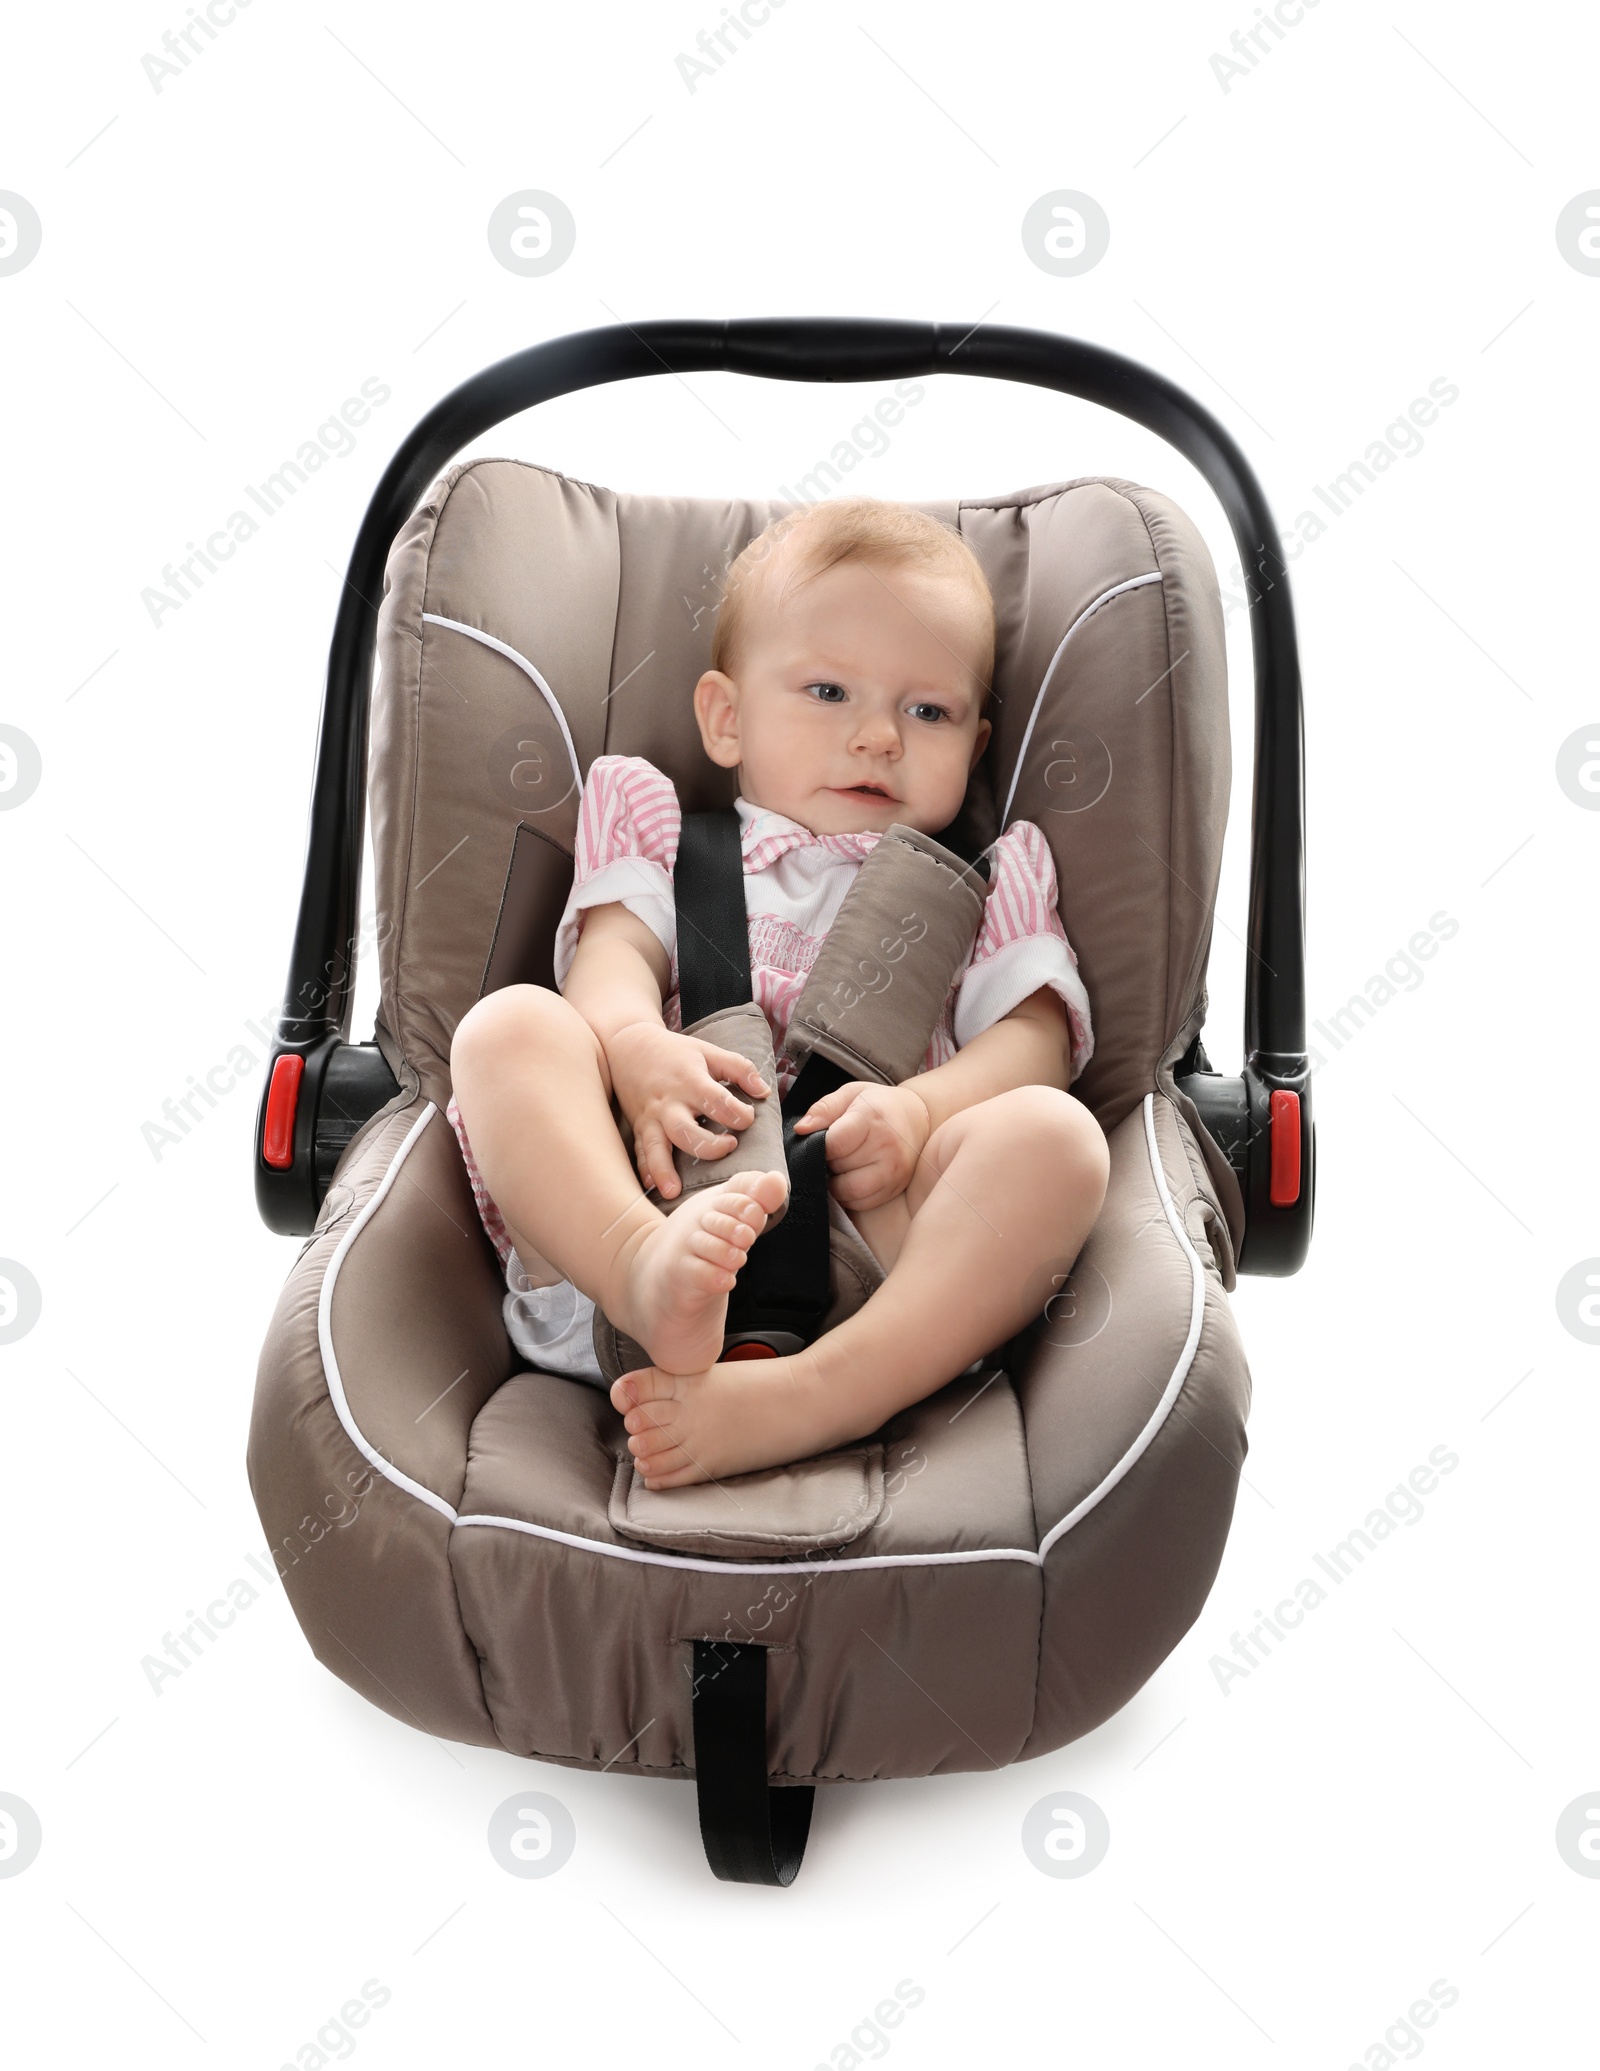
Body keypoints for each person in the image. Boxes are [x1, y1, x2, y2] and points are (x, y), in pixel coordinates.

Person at [448, 497, 1109, 1489]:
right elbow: (610, 964)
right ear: (725, 716)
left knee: (1059, 1143)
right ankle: (643, 1272)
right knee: (508, 1029)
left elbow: (1037, 1042)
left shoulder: (978, 881)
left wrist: (921, 1109)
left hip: (878, 1249)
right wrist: (632, 1048)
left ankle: (819, 1392)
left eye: (927, 710)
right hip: (656, 1199)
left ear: (976, 745)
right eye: (829, 690)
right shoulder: (665, 835)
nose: (879, 735)